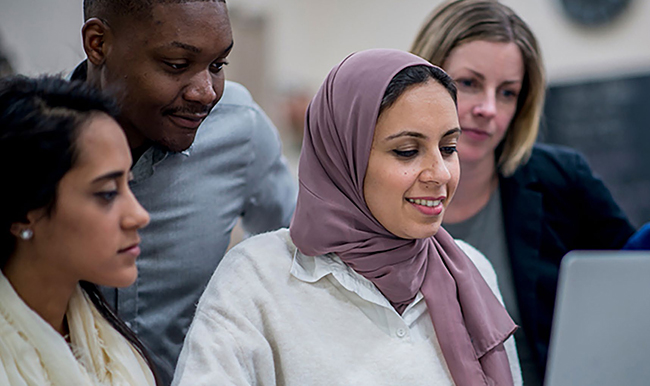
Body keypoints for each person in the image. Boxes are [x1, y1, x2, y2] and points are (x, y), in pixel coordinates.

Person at [172, 49, 523, 386]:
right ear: (344, 156)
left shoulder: (470, 271)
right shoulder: (258, 279)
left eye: (448, 148)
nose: (440, 174)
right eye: (407, 151)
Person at [410, 1, 635, 384]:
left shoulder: (560, 179)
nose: (488, 108)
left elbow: (632, 278)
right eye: (468, 83)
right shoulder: (381, 190)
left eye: (508, 93)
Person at [75, 1, 297, 382]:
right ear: (98, 44)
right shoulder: (34, 140)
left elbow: (299, 257)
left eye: (218, 65)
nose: (205, 92)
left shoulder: (239, 127)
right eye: (176, 65)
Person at [0, 75, 157, 385]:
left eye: (130, 184)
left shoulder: (114, 350)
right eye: (108, 193)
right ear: (23, 213)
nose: (139, 215)